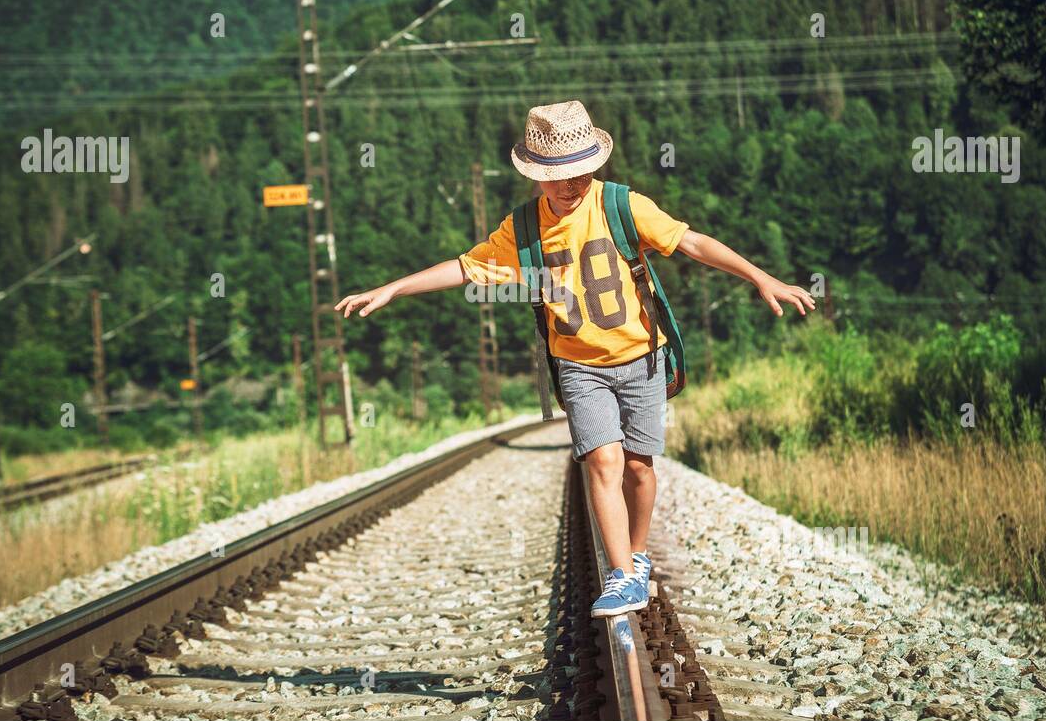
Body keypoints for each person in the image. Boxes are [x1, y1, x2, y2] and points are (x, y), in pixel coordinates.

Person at [335, 100, 814, 616]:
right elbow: (464, 268)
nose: (572, 185)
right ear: (537, 176)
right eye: (559, 176)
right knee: (603, 462)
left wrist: (761, 277)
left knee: (639, 468)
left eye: (581, 172)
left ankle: (638, 553)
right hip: (578, 365)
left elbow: (692, 242)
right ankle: (622, 576)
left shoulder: (622, 205)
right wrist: (394, 289)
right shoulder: (521, 231)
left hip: (642, 358)